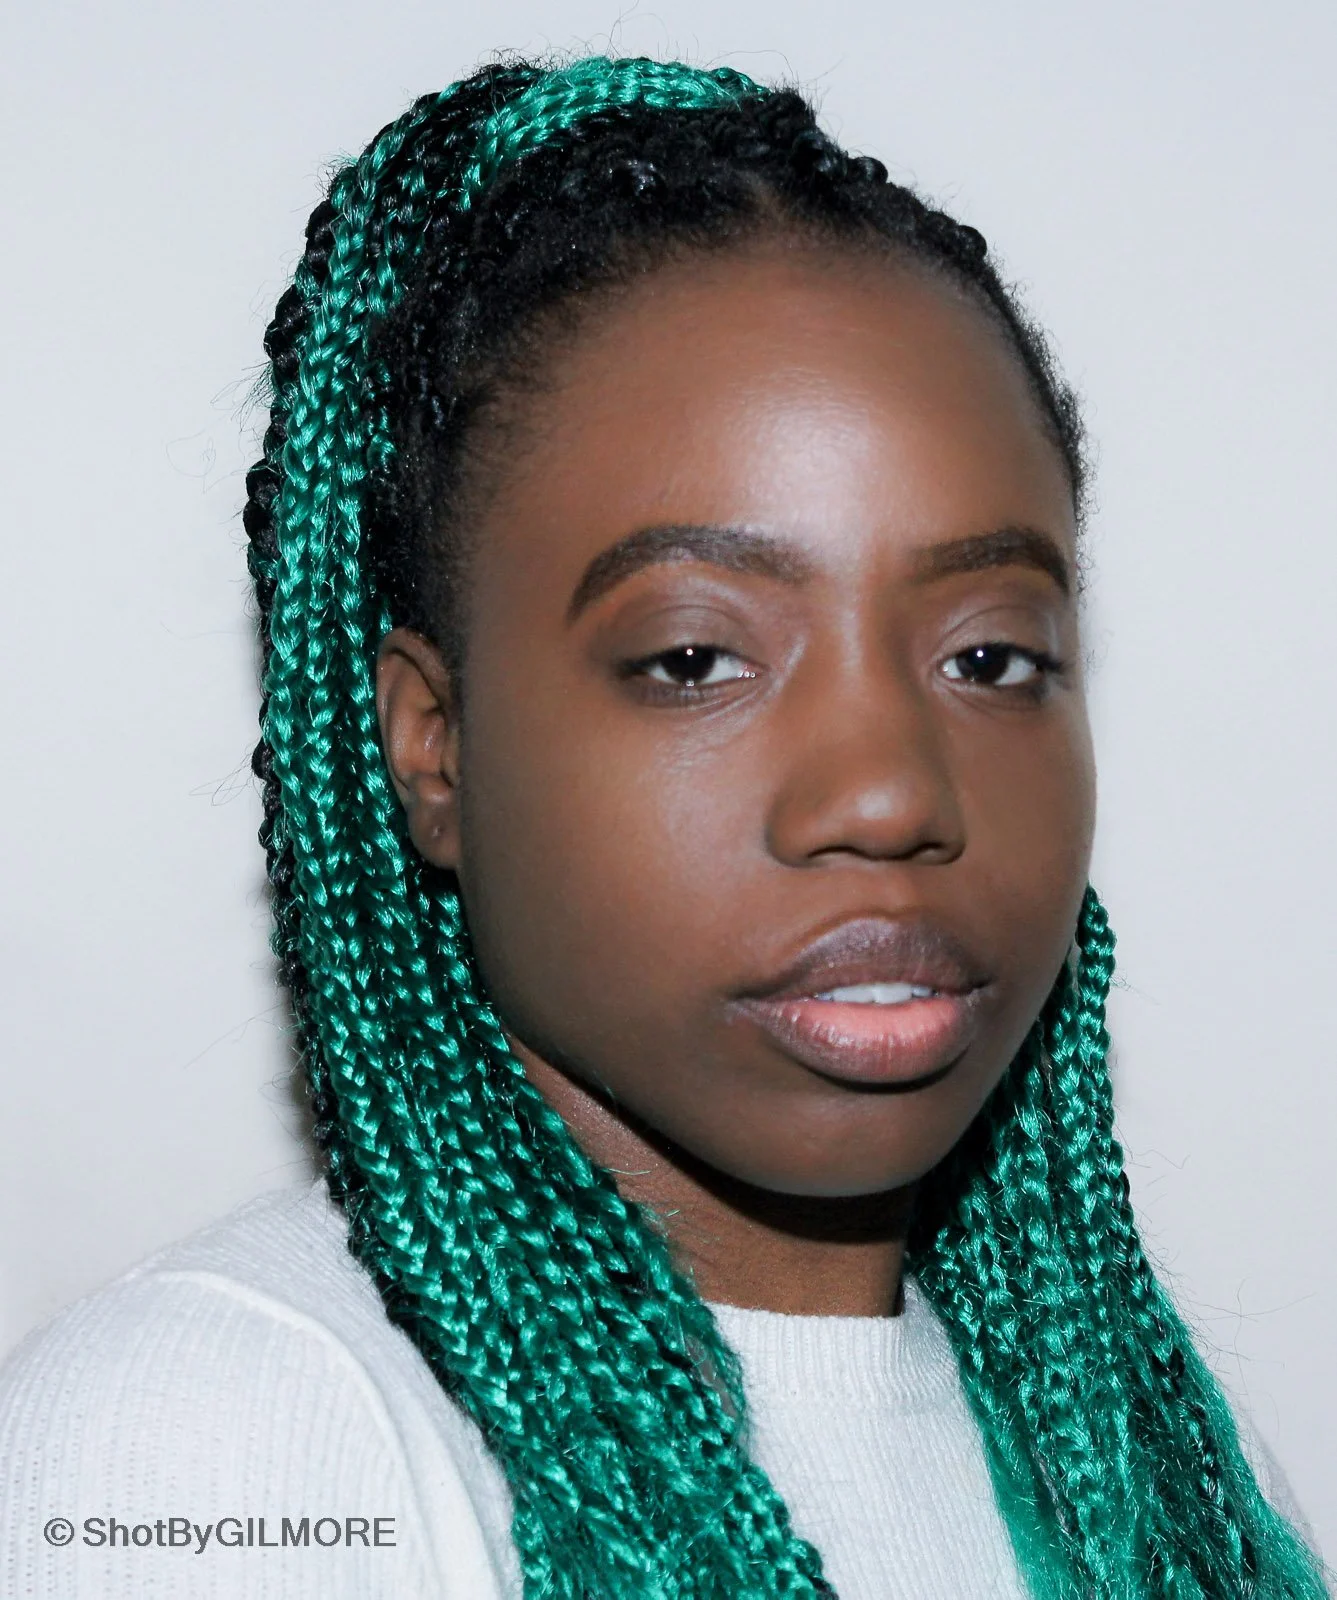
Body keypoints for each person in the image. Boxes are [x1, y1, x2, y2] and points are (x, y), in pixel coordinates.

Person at [0, 52, 1326, 1600]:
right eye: (696, 658)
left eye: (989, 657)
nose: (890, 791)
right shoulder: (219, 1446)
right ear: (431, 747)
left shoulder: (1160, 1474)